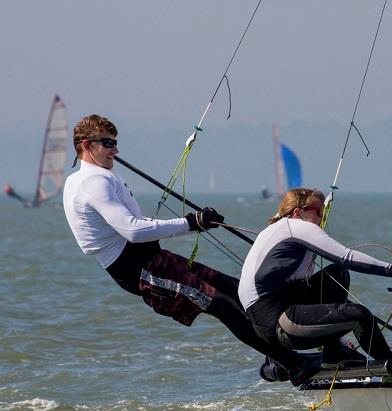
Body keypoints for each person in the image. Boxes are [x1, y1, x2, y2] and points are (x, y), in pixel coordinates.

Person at [62, 114, 298, 380]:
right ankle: (293, 365)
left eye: (115, 143)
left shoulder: (102, 175)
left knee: (239, 290)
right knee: (223, 305)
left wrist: (197, 221)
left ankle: (281, 354)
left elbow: (135, 224)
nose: (115, 151)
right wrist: (190, 223)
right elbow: (133, 231)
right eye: (107, 143)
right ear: (85, 145)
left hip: (153, 258)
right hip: (136, 269)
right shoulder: (92, 182)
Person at [238, 188, 392, 385]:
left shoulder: (277, 227)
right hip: (278, 322)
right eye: (317, 212)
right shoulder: (296, 226)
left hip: (272, 312)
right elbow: (346, 257)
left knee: (337, 273)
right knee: (359, 316)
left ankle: (334, 351)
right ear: (297, 212)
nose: (321, 218)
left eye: (324, 212)